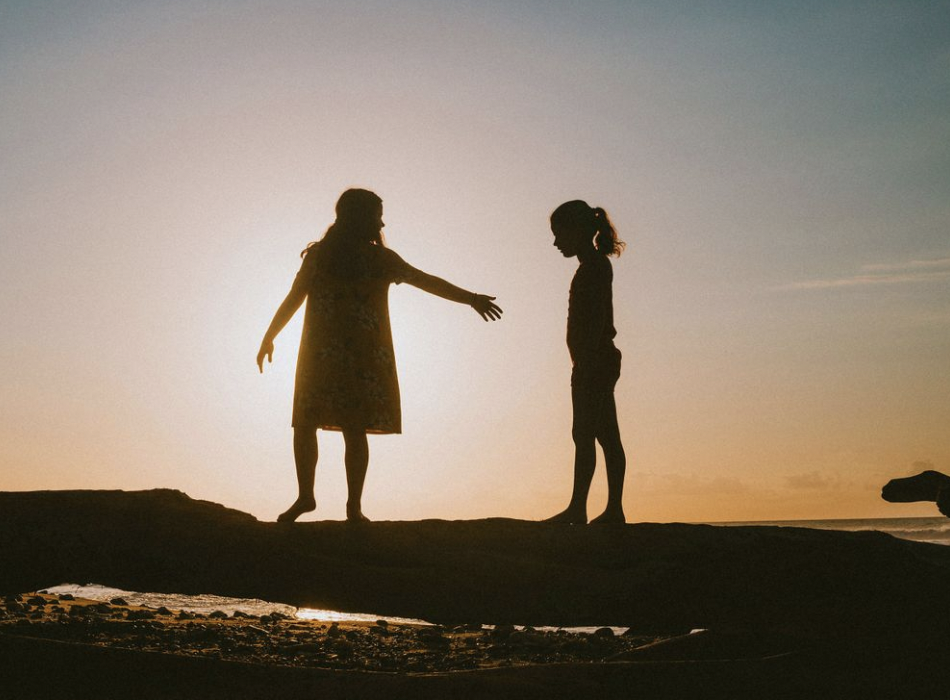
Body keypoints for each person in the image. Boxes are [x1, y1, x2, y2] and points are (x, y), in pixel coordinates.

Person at [257, 188, 502, 522]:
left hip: (356, 358)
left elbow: (427, 281)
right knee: (306, 423)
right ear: (357, 217)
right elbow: (295, 297)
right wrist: (270, 335)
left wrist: (470, 299)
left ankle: (353, 506)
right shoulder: (321, 257)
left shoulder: (381, 261)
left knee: (350, 427)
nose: (382, 222)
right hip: (326, 355)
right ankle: (306, 497)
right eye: (377, 215)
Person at [545, 200, 627, 524]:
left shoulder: (594, 267)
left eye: (558, 234)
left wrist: (585, 361)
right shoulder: (591, 266)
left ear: (577, 231)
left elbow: (592, 321)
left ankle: (583, 508)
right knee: (602, 434)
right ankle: (603, 509)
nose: (555, 242)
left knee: (590, 434)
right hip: (593, 360)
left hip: (594, 361)